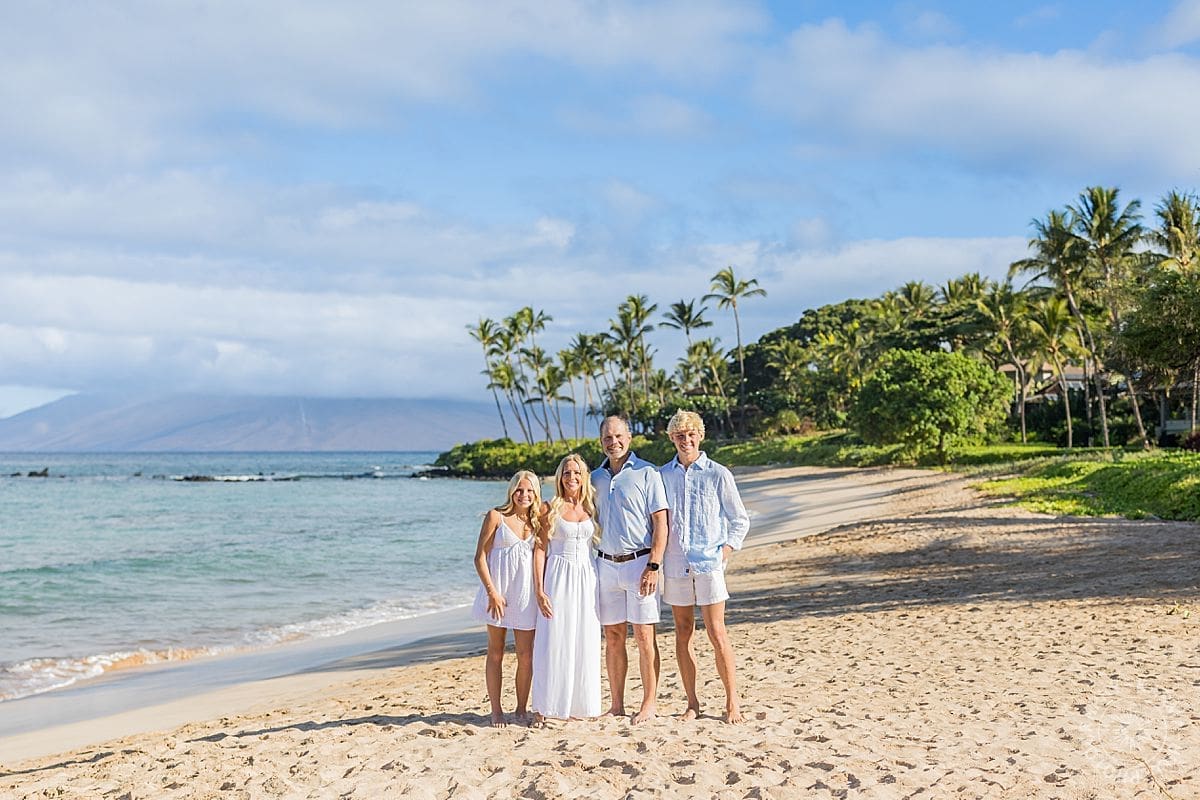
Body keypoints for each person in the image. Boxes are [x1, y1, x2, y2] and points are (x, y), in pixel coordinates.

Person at [658, 410, 749, 724]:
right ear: (672, 438)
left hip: (709, 564)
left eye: (691, 434)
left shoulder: (718, 473)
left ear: (700, 436)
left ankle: (732, 703)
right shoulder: (662, 475)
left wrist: (724, 551)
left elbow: (739, 520)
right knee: (682, 633)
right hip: (675, 564)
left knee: (716, 632)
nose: (686, 440)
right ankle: (692, 703)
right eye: (680, 435)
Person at [590, 415, 668, 724]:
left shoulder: (648, 473)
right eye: (608, 438)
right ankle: (617, 703)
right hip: (605, 565)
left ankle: (649, 703)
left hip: (640, 563)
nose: (614, 442)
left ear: (630, 437)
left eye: (619, 436)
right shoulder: (594, 477)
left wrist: (654, 565)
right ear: (601, 442)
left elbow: (661, 523)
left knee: (645, 638)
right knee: (612, 637)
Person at [531, 454, 602, 723]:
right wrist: (539, 589)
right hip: (558, 576)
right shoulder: (550, 508)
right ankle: (544, 707)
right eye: (566, 473)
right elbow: (540, 550)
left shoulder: (591, 507)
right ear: (560, 477)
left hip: (587, 576)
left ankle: (579, 706)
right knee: (554, 638)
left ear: (584, 477)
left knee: (584, 638)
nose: (572, 477)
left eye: (577, 473)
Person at [471, 469, 540, 727]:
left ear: (536, 493)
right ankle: (497, 710)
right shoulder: (496, 517)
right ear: (511, 490)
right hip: (497, 595)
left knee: (526, 655)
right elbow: (479, 557)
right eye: (519, 490)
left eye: (529, 490)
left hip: (525, 595)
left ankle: (521, 708)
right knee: (496, 653)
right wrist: (492, 592)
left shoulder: (537, 520)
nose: (523, 495)